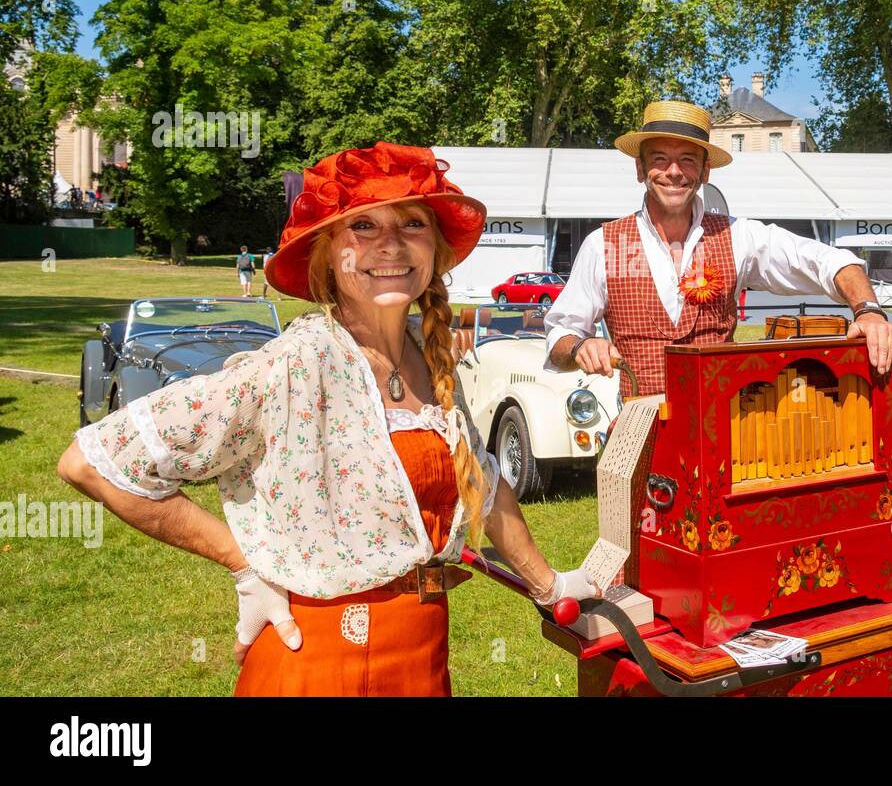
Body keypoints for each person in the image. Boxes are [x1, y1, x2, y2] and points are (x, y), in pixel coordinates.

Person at [56, 142, 599, 696]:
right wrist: (244, 565)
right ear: (326, 254)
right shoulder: (298, 361)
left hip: (421, 655)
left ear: (434, 247)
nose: (390, 244)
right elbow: (90, 462)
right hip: (319, 661)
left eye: (412, 223)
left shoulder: (429, 354)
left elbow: (481, 481)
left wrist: (549, 585)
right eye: (362, 226)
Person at [544, 100, 892, 395]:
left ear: (705, 171)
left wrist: (868, 310)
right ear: (640, 169)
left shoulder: (738, 236)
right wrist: (579, 347)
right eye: (659, 159)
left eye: (687, 159)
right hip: (639, 434)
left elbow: (831, 261)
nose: (673, 171)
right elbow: (560, 335)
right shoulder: (602, 244)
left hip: (725, 430)